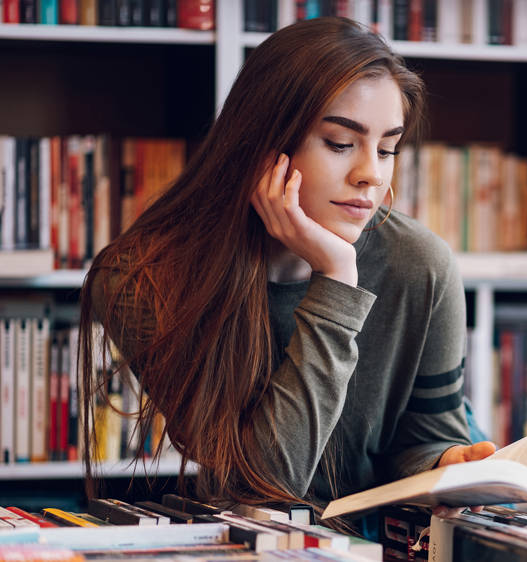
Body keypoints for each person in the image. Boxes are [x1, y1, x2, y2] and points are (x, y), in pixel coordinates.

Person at [78, 16, 496, 526]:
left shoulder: (420, 265)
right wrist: (337, 280)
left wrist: (447, 463)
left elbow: (427, 435)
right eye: (341, 143)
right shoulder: (141, 281)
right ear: (262, 142)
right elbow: (269, 481)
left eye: (387, 148)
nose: (371, 174)